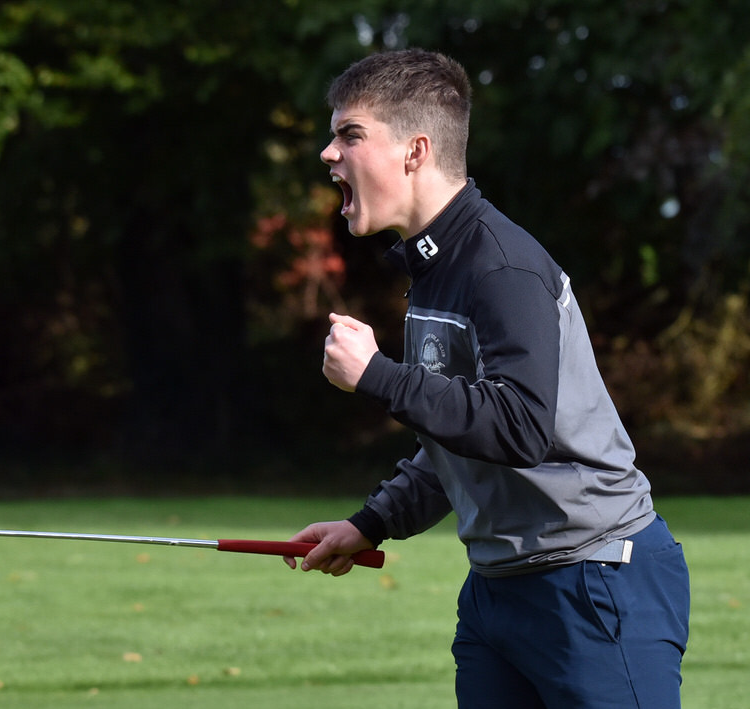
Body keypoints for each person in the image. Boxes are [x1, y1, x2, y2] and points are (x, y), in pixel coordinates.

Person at [283, 48, 690, 709]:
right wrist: (371, 523)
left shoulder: (499, 267)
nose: (329, 153)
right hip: (497, 594)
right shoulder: (434, 272)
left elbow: (520, 425)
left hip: (593, 584)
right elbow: (457, 437)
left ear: (415, 151)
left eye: (349, 134)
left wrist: (378, 376)